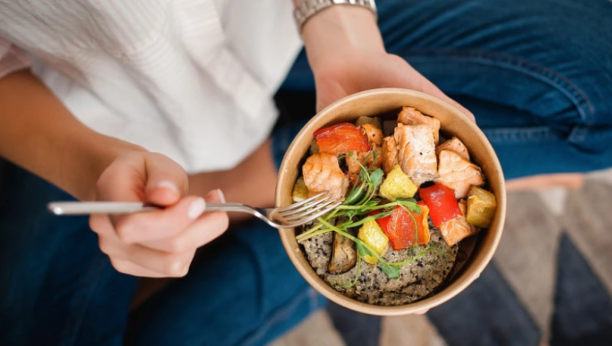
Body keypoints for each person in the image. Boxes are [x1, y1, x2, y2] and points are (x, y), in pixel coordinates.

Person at [0, 0, 610, 345]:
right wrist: (92, 166)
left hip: (295, 27)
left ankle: (258, 179)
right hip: (87, 111)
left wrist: (343, 32)